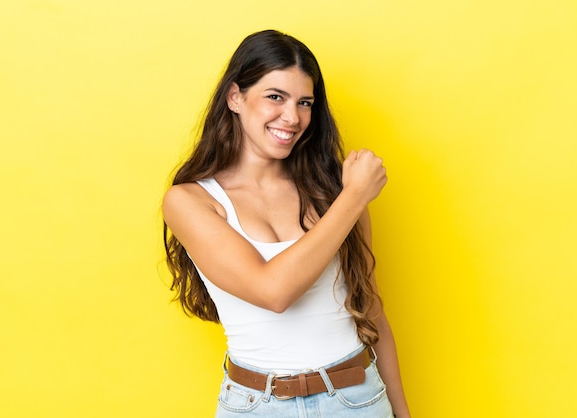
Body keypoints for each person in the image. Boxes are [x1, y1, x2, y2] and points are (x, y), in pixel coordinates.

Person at [162, 29, 410, 418]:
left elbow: (371, 310)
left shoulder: (333, 191)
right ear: (235, 97)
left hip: (358, 400)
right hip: (257, 406)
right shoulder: (191, 201)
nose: (292, 117)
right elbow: (273, 291)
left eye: (305, 102)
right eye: (275, 97)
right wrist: (355, 197)